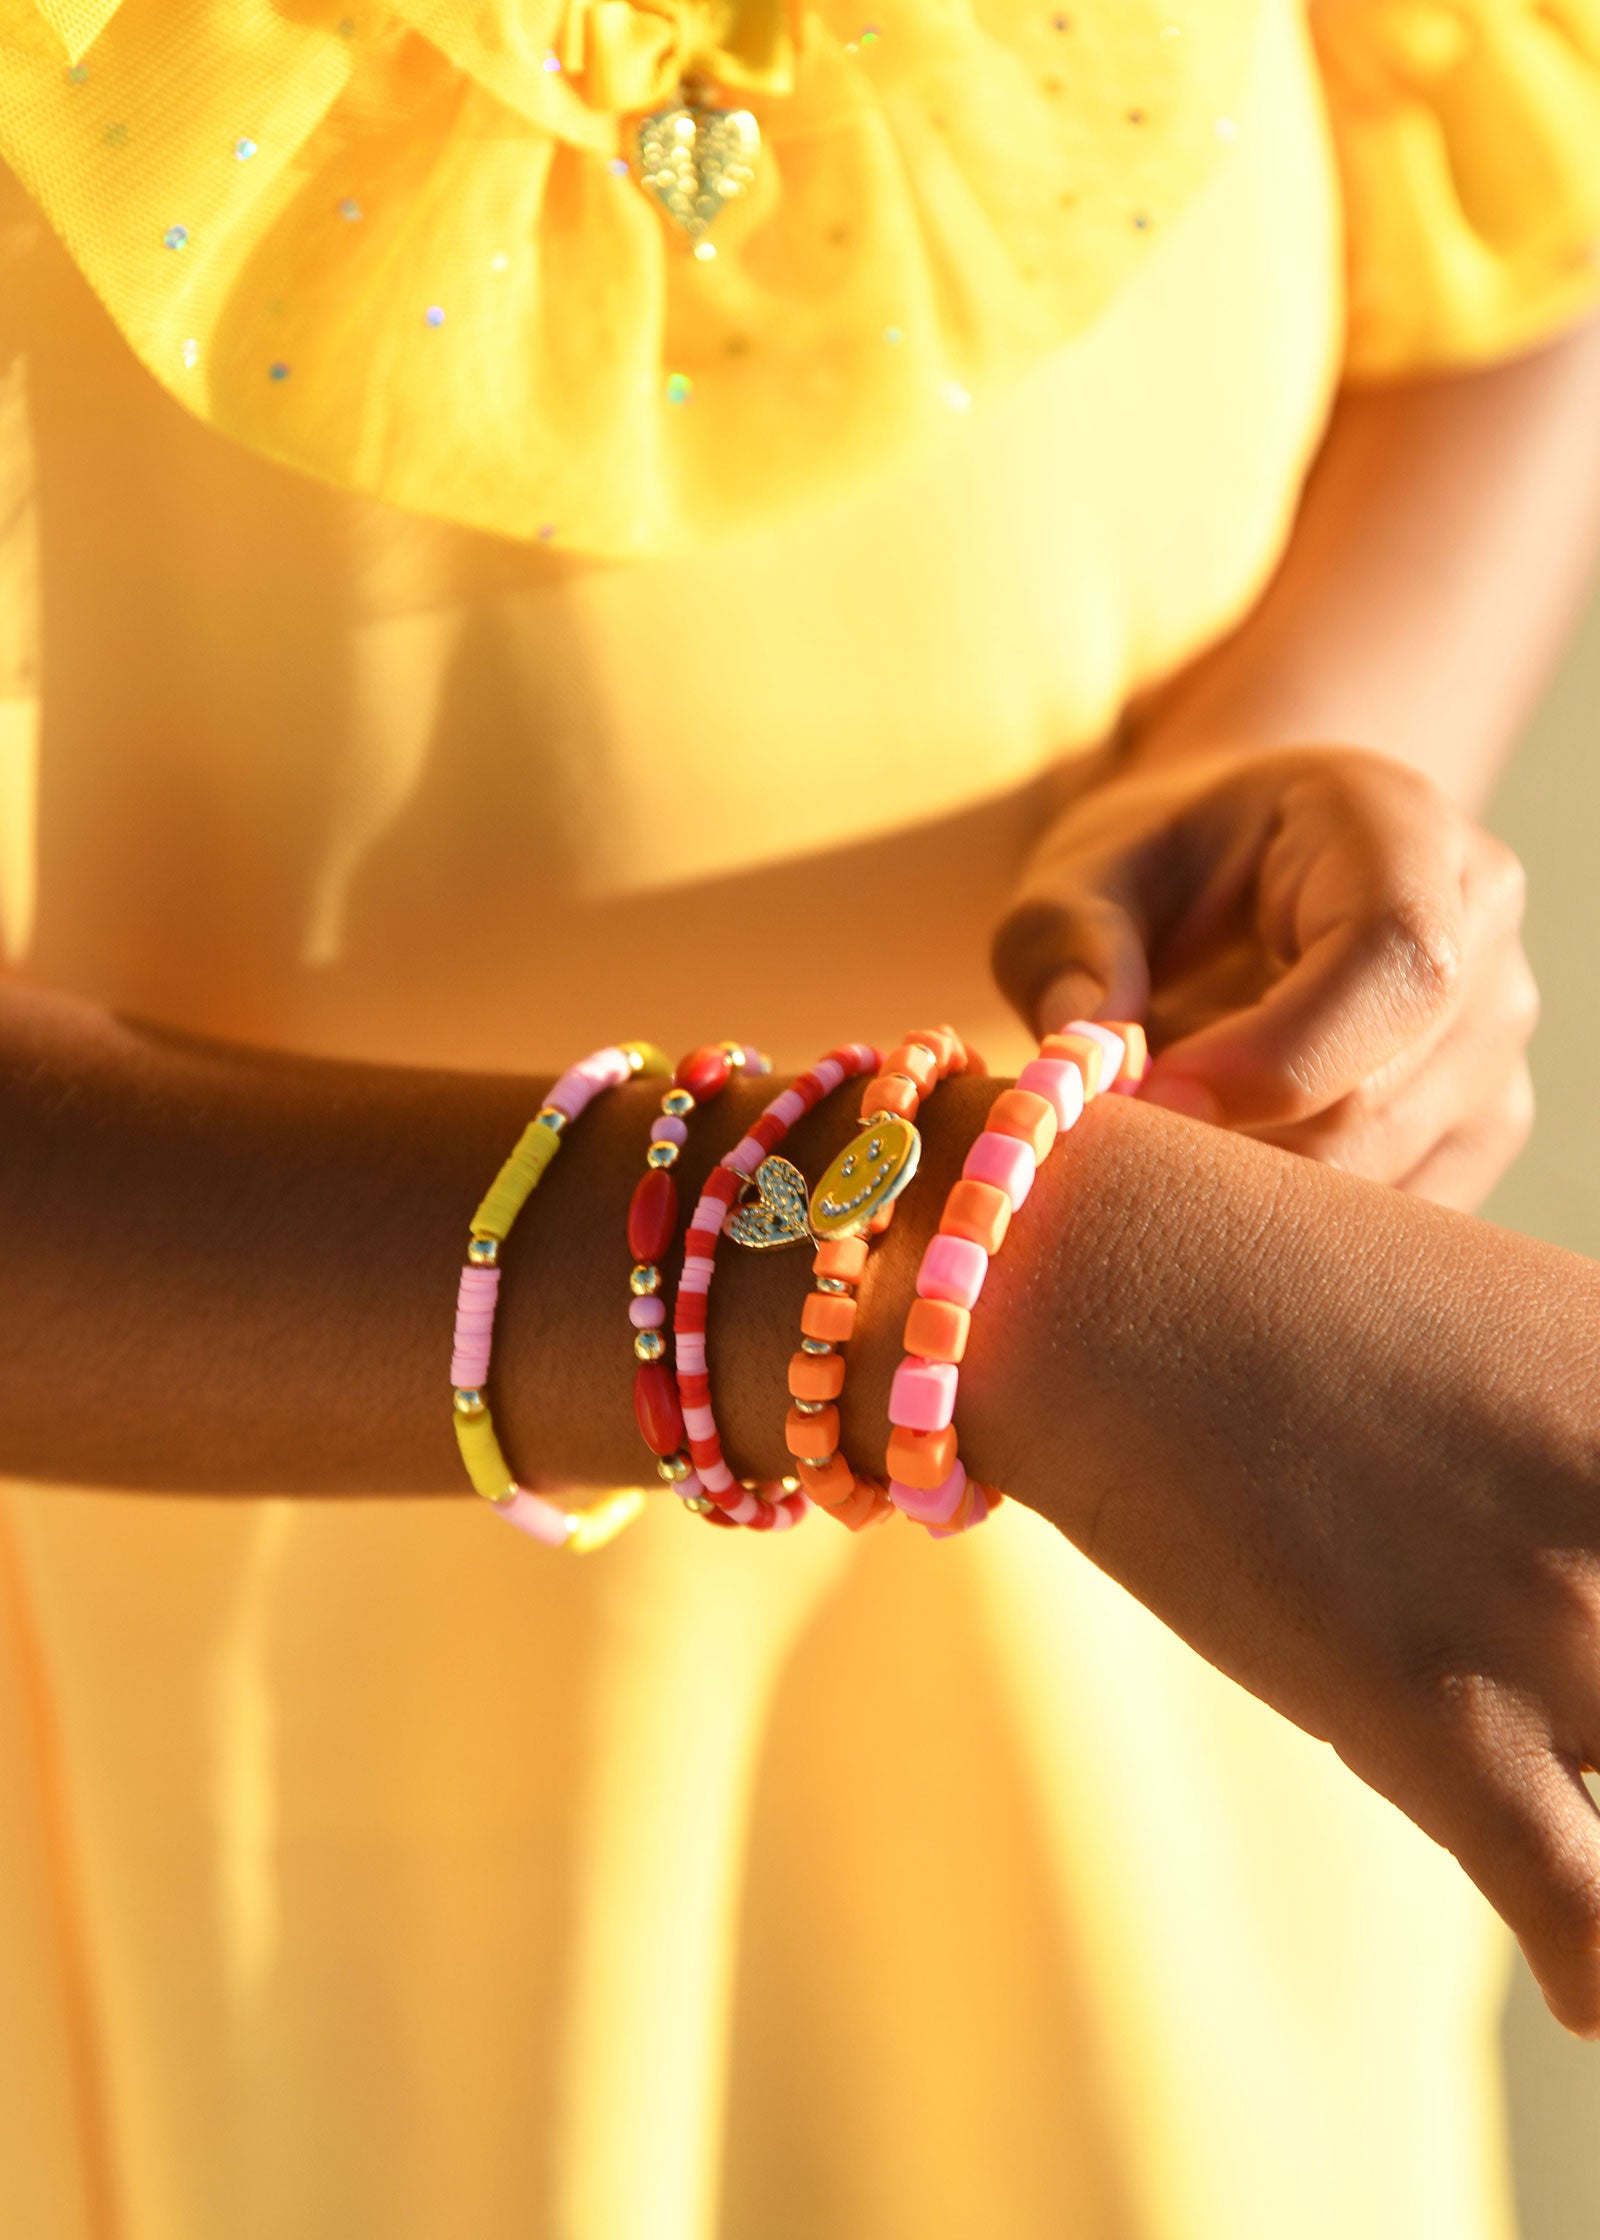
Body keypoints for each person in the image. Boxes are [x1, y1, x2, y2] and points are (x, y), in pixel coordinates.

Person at [2, 2, 1599, 2235]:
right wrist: (958, 1291)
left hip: (1216, 1623)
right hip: (289, 1837)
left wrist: (1315, 761)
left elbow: (1496, 239)